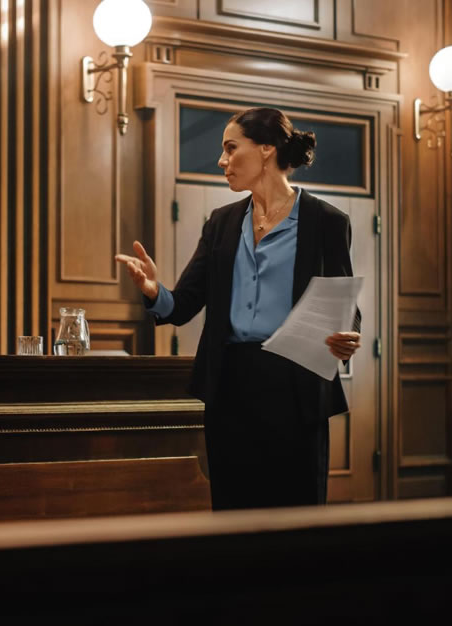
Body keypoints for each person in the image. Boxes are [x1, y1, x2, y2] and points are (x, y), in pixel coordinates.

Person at [114, 107, 361, 510]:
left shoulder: (327, 222)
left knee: (295, 509)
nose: (222, 161)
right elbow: (183, 305)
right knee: (232, 508)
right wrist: (153, 289)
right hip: (230, 384)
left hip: (295, 384)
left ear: (266, 149)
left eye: (231, 148)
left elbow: (343, 305)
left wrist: (347, 335)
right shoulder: (221, 223)